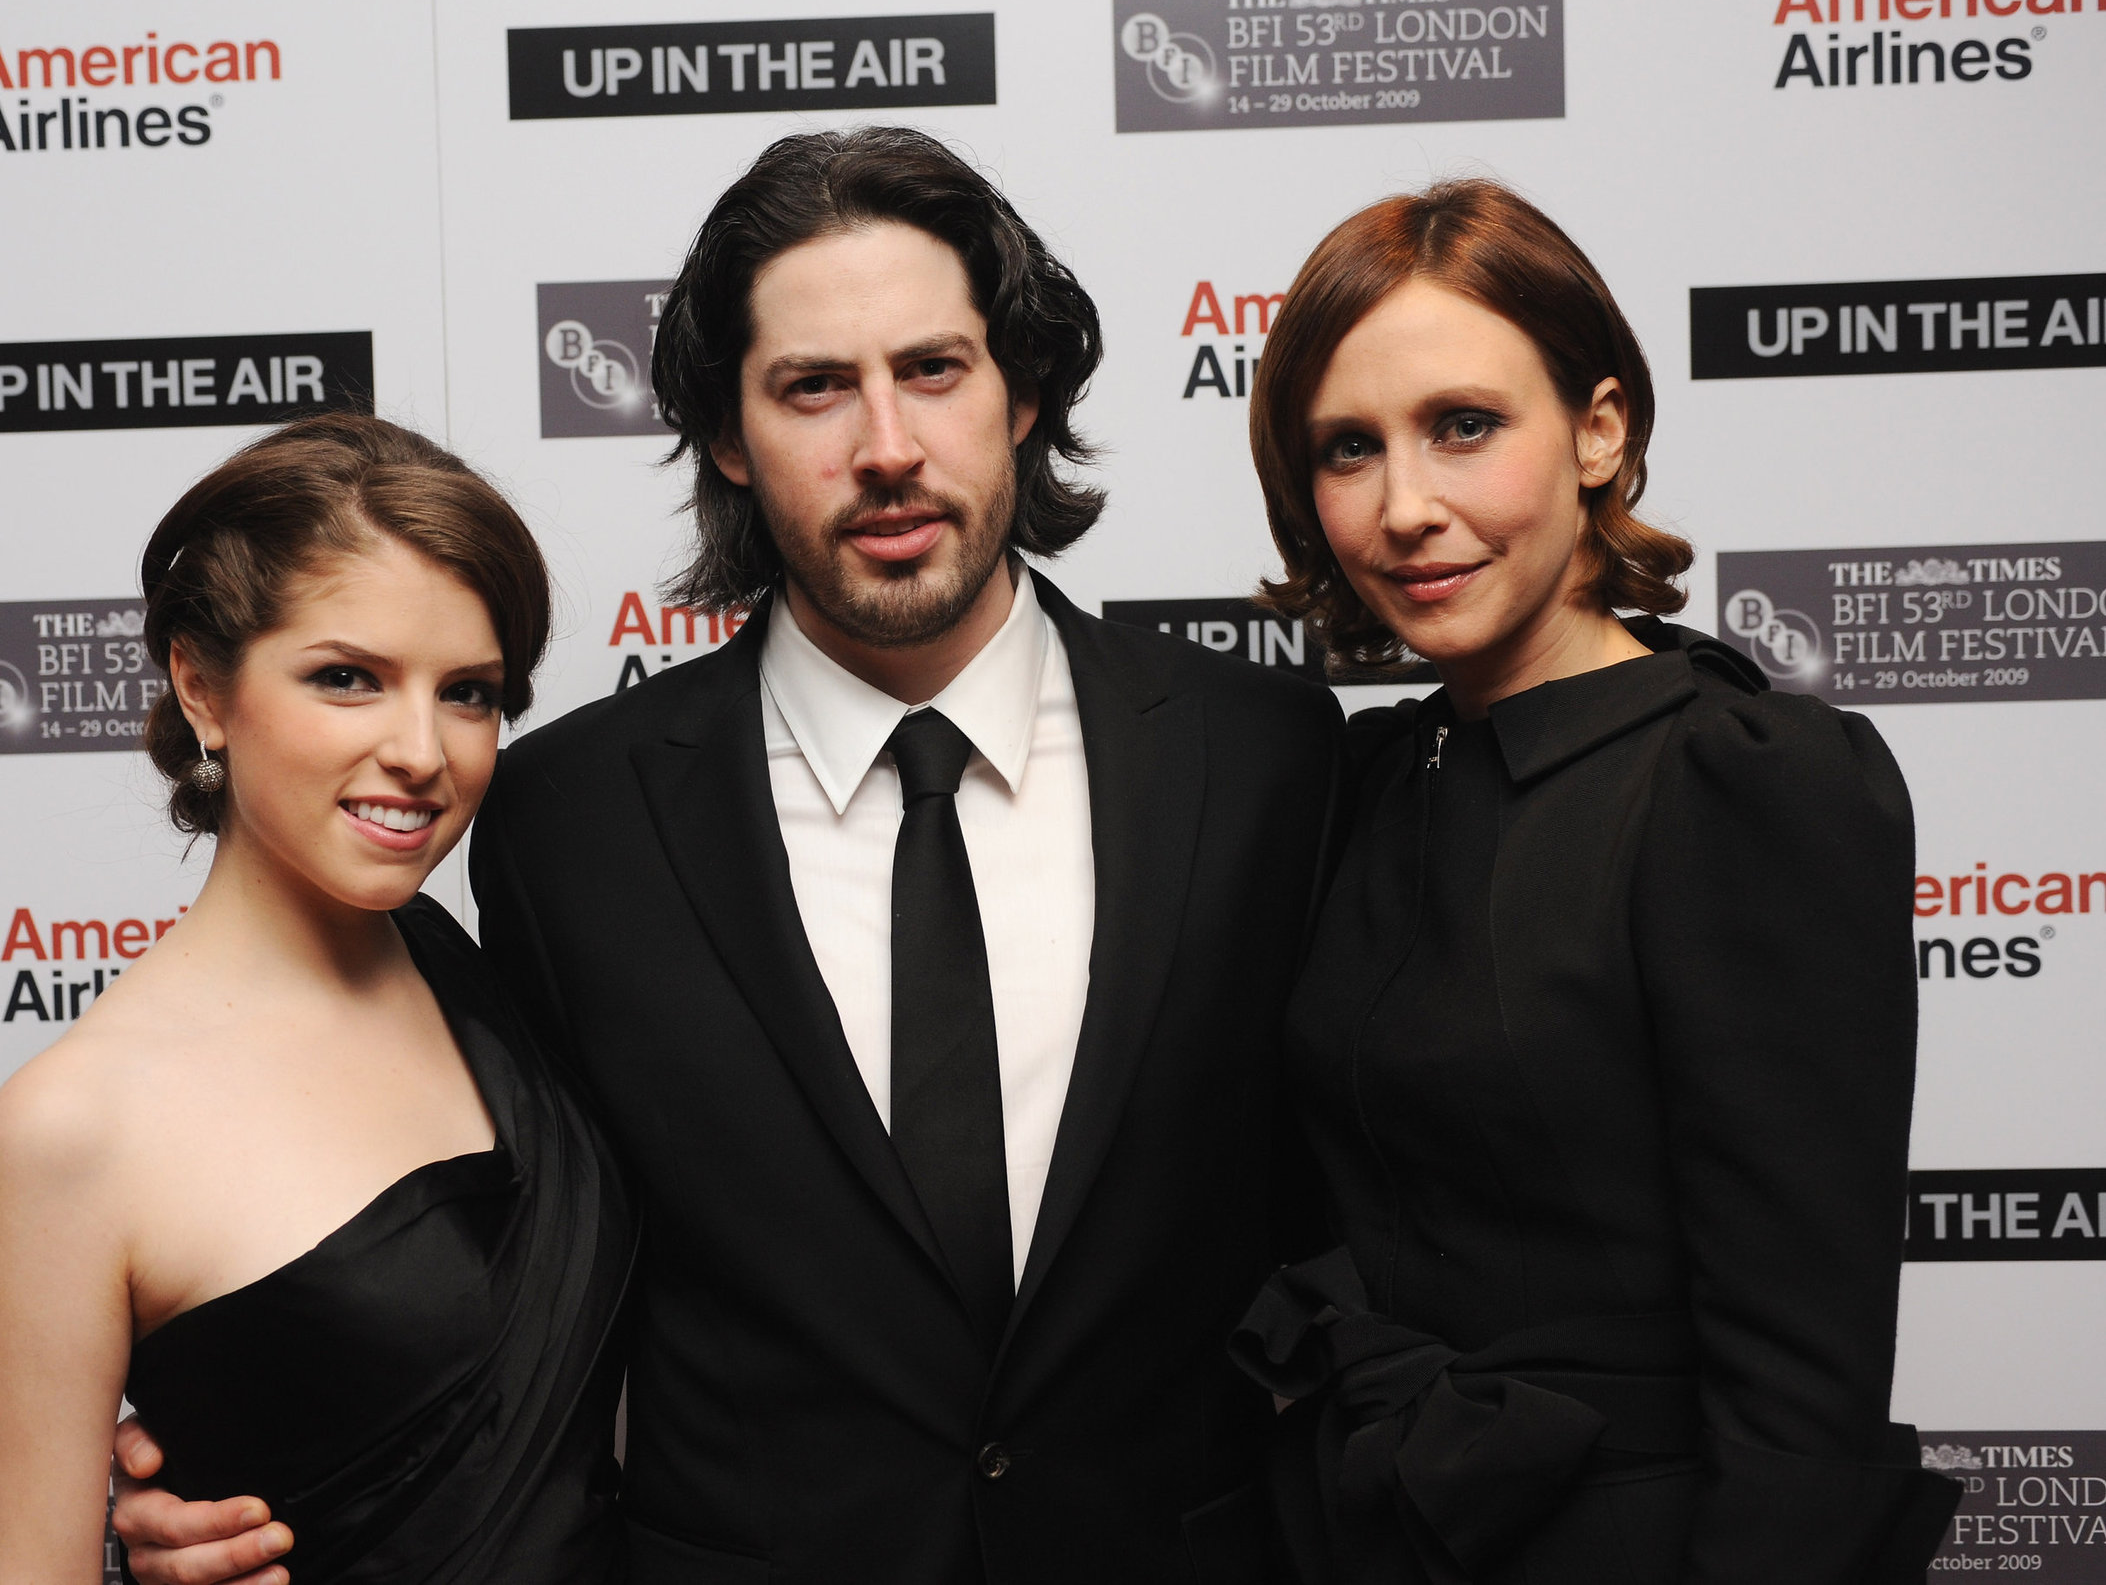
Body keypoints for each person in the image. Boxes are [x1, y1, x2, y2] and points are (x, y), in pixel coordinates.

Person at [111, 126, 1343, 1584]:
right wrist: (242, 1464)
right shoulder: (567, 819)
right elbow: (494, 1256)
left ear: (1019, 393)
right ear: (726, 436)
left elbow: (1384, 1190)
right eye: (812, 387)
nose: (885, 446)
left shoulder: (1261, 754)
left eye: (933, 368)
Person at [1227, 178, 1959, 1582]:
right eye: (1344, 449)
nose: (1404, 507)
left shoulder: (1741, 776)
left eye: (1462, 427)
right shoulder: (1362, 782)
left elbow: (1802, 1384)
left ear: (1597, 429)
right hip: (1366, 1525)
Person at [0, 415, 633, 1585]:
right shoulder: (72, 1125)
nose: (422, 749)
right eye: (347, 678)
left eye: (468, 692)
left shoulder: (483, 974)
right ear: (202, 688)